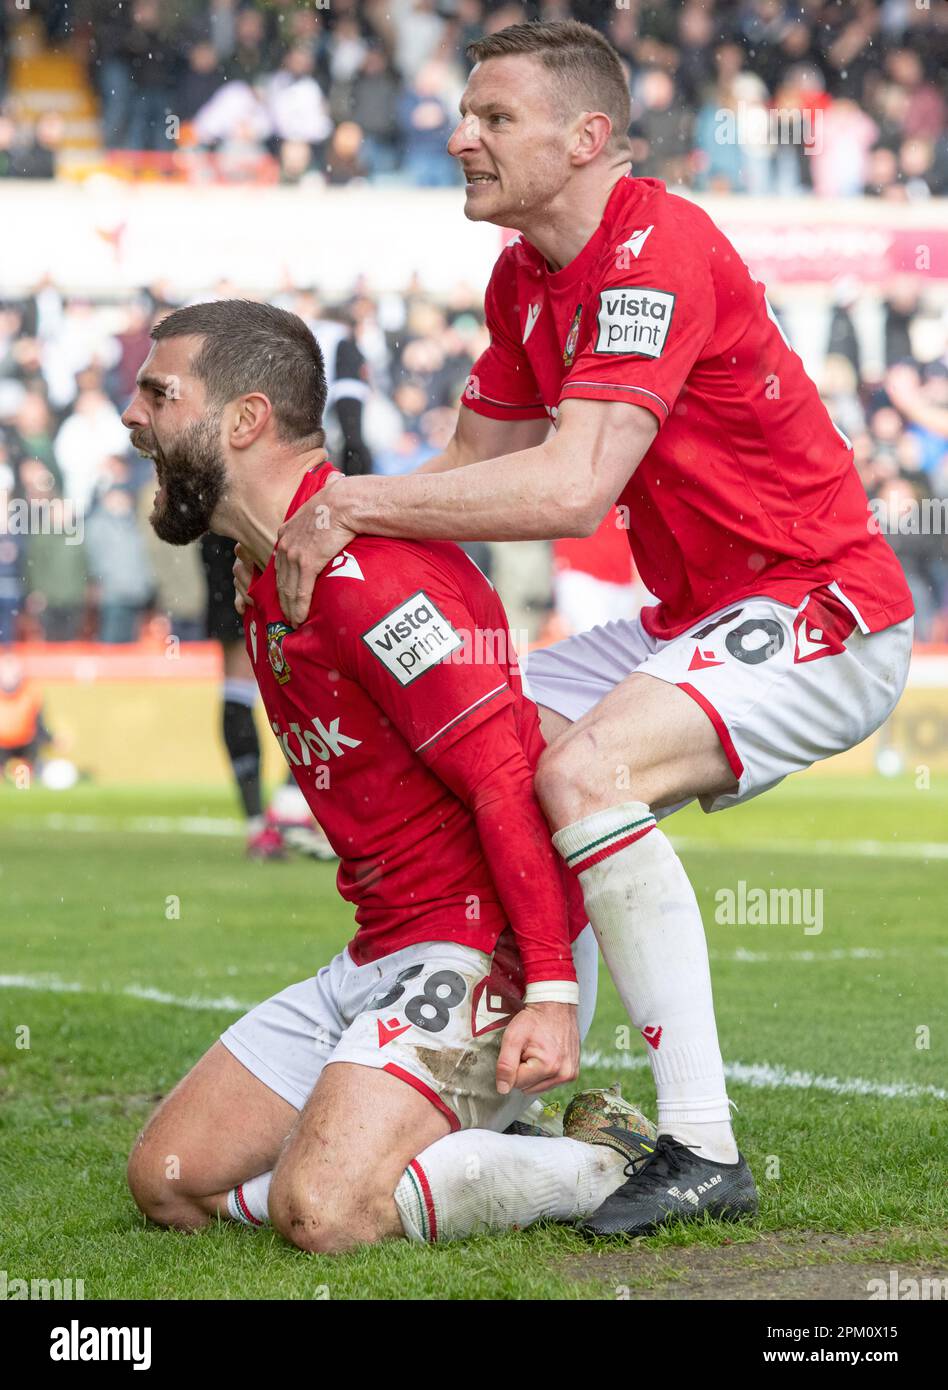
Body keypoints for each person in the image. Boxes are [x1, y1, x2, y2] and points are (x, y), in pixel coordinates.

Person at [253, 20, 915, 1238]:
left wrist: (337, 502)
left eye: (494, 118)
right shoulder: (522, 277)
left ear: (587, 136)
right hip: (698, 617)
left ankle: (703, 1146)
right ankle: (514, 1082)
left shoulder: (657, 247)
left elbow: (569, 490)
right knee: (501, 765)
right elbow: (468, 475)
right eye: (464, 114)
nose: (460, 137)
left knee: (582, 767)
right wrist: (310, 526)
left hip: (826, 602)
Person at [120, 298, 658, 1252]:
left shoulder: (374, 577)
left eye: (159, 393)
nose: (133, 414)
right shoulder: (266, 571)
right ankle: (462, 1141)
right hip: (381, 950)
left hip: (482, 943)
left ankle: (612, 1164)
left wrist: (549, 992)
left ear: (244, 421)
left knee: (321, 1213)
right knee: (168, 1182)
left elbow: (503, 781)